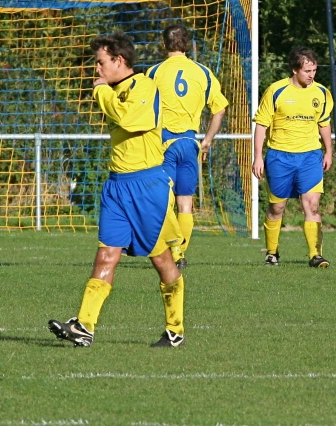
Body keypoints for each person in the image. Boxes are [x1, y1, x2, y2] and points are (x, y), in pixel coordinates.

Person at [48, 33, 186, 348]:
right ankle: (84, 326)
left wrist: (100, 93)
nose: (96, 70)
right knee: (106, 255)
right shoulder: (117, 90)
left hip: (147, 186)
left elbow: (130, 119)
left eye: (100, 62)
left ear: (118, 60)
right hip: (117, 186)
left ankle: (175, 329)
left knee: (162, 260)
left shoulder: (144, 87)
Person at [146, 24, 229, 269]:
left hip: (164, 143)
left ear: (164, 45)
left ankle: (173, 250)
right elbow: (220, 109)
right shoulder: (202, 72)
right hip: (190, 143)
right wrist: (207, 141)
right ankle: (180, 253)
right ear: (188, 44)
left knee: (163, 201)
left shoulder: (153, 72)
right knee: (186, 203)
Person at [252, 47, 333, 268]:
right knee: (277, 207)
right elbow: (261, 124)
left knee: (313, 205)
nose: (312, 75)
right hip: (280, 157)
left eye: (314, 70)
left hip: (310, 156)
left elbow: (324, 124)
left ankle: (315, 255)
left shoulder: (322, 93)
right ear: (295, 70)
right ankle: (272, 252)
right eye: (307, 70)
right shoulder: (276, 91)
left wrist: (328, 151)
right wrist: (258, 157)